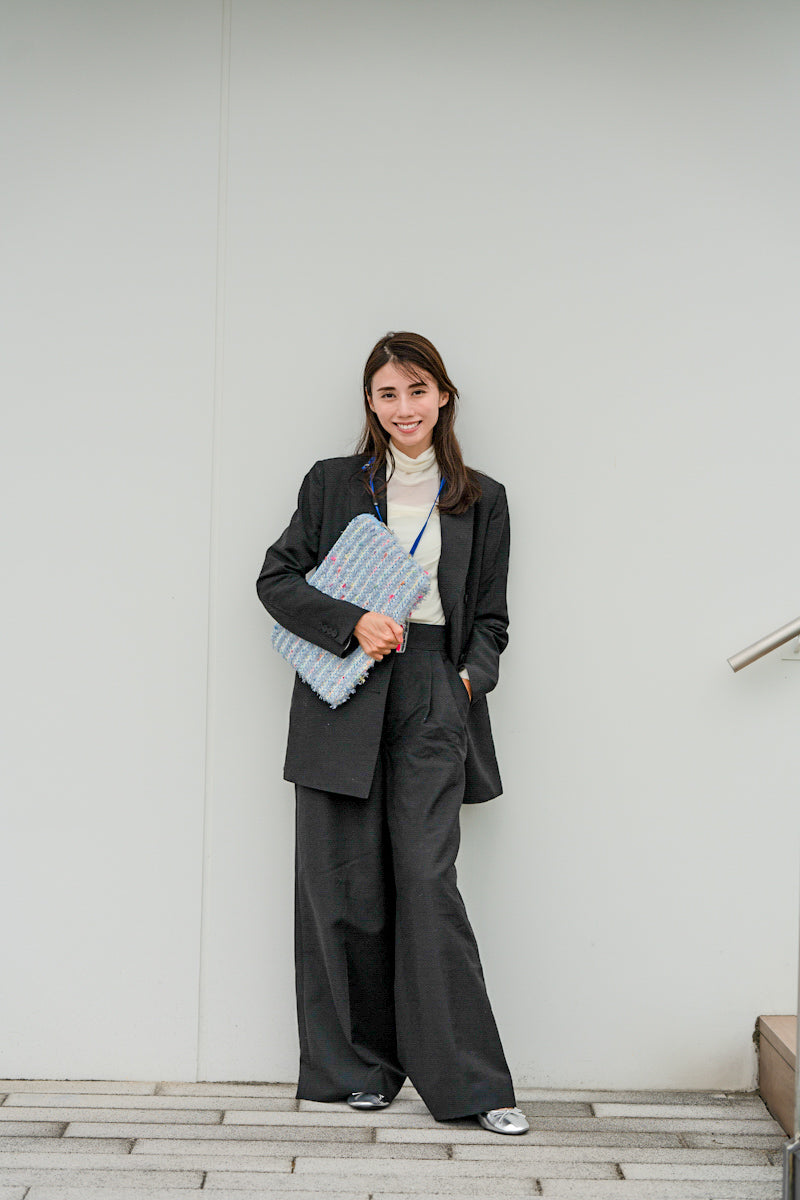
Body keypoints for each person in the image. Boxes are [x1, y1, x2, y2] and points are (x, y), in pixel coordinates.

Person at [255, 330, 528, 1135]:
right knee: (343, 886)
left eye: (417, 390)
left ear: (442, 397)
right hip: (344, 692)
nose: (404, 407)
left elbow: (491, 619)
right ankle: (360, 1072)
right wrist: (352, 622)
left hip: (433, 691)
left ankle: (473, 1087)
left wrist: (466, 682)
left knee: (428, 882)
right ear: (371, 405)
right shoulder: (332, 482)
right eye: (387, 394)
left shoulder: (482, 498)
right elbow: (276, 578)